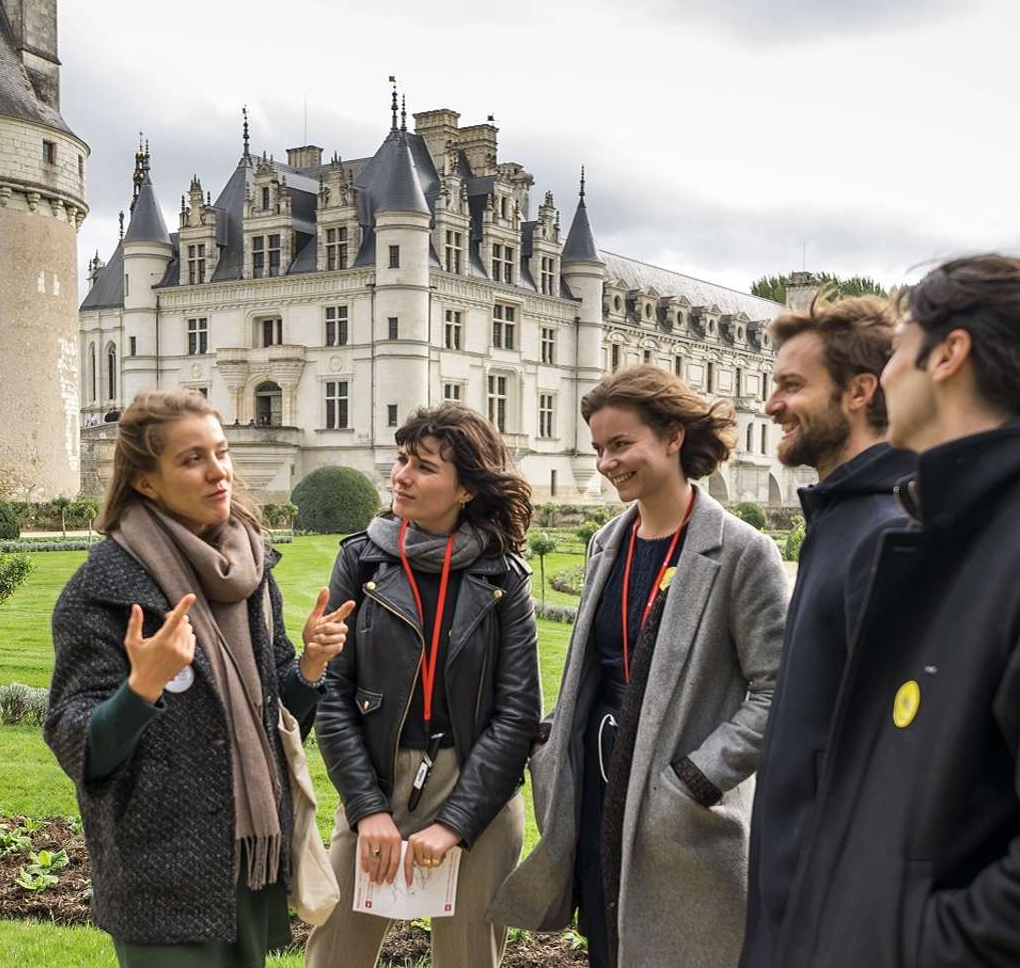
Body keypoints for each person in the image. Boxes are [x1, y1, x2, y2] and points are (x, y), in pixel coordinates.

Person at [773, 255, 1020, 967]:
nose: (886, 375)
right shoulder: (942, 532)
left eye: (899, 346)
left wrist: (915, 949)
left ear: (949, 354)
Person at [44, 389, 354, 968]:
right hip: (162, 870)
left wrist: (309, 666)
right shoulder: (103, 591)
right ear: (145, 482)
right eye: (192, 460)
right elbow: (79, 747)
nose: (220, 473)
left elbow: (273, 720)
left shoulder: (250, 572)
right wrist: (141, 690)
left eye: (222, 451)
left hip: (247, 862)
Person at [492, 365, 788, 968]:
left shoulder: (741, 552)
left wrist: (696, 779)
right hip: (600, 790)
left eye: (621, 444)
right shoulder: (607, 542)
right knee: (607, 943)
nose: (605, 463)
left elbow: (779, 690)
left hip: (680, 807)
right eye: (599, 447)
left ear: (674, 437)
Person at [306, 405, 540, 968]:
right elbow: (333, 696)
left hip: (475, 789)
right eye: (402, 460)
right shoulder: (360, 560)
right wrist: (367, 810)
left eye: (424, 467)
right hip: (377, 781)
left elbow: (517, 713)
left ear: (466, 489)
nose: (401, 477)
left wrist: (455, 823)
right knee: (334, 958)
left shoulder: (504, 576)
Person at [737, 294, 915, 968]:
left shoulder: (884, 534)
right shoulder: (843, 522)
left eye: (791, 385)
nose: (770, 405)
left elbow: (890, 773)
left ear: (860, 392)